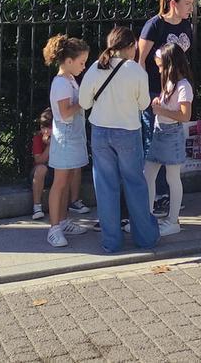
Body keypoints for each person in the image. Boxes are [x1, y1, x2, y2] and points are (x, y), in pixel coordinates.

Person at [79, 27, 158, 253]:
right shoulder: (136, 71)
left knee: (105, 187)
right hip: (128, 131)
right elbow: (144, 105)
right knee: (135, 184)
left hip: (100, 131)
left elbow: (84, 103)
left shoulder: (95, 67)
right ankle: (145, 237)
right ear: (131, 46)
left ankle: (111, 242)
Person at [139, 0, 196, 217]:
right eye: (187, 4)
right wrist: (144, 93)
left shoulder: (185, 25)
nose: (191, 8)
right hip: (155, 90)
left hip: (176, 88)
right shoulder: (155, 25)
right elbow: (140, 60)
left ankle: (165, 194)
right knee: (154, 141)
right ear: (173, 3)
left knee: (170, 141)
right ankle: (156, 194)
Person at [41, 35, 92, 248]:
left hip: (74, 136)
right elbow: (65, 113)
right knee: (60, 183)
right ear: (69, 61)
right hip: (65, 138)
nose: (84, 66)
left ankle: (62, 220)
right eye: (81, 62)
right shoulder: (61, 83)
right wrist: (83, 101)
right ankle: (54, 228)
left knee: (69, 177)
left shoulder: (70, 79)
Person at [144, 43, 193, 237]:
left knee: (172, 177)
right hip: (159, 131)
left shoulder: (183, 86)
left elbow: (185, 115)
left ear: (171, 65)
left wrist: (161, 110)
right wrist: (160, 103)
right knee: (148, 174)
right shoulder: (170, 83)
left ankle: (173, 221)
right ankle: (147, 217)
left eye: (161, 66)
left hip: (171, 134)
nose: (159, 70)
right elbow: (168, 107)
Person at [30, 109, 54, 220]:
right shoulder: (38, 138)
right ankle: (37, 207)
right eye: (43, 127)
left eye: (49, 128)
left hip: (56, 171)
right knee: (41, 168)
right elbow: (39, 160)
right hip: (40, 173)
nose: (46, 131)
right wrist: (49, 146)